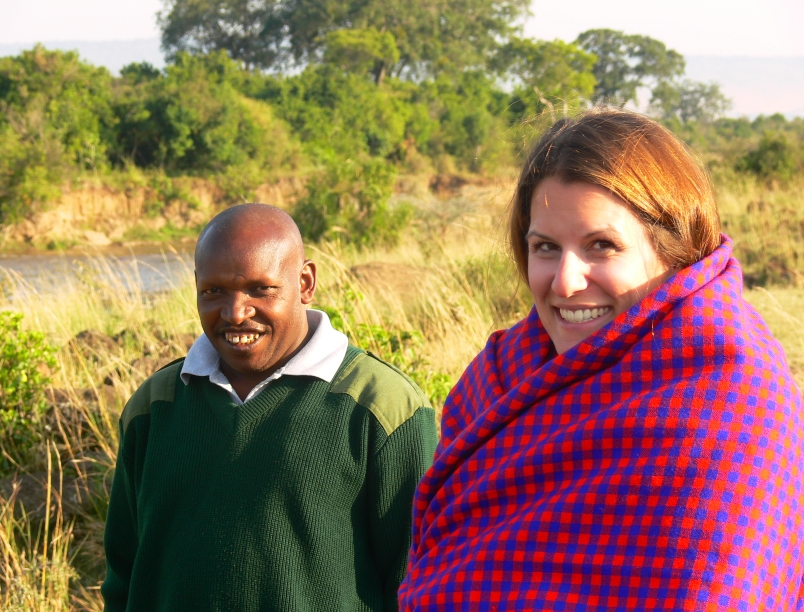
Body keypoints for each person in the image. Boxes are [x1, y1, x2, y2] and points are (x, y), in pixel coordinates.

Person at [399, 109, 804, 610]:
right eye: (546, 247)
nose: (565, 282)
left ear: (674, 251)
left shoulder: (730, 403)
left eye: (602, 246)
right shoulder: (502, 375)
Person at [102, 204, 438, 612]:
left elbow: (417, 582)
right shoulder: (155, 406)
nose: (235, 313)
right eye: (213, 291)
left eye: (260, 289)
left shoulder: (382, 407)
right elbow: (123, 576)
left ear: (305, 283)